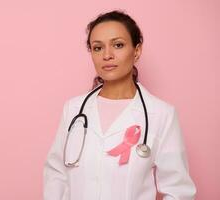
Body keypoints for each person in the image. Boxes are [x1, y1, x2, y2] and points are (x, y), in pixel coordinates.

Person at [43, 10, 196, 200]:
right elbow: (56, 174)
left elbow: (179, 191)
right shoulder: (73, 109)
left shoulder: (162, 114)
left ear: (137, 51)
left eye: (118, 45)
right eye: (98, 48)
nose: (107, 55)